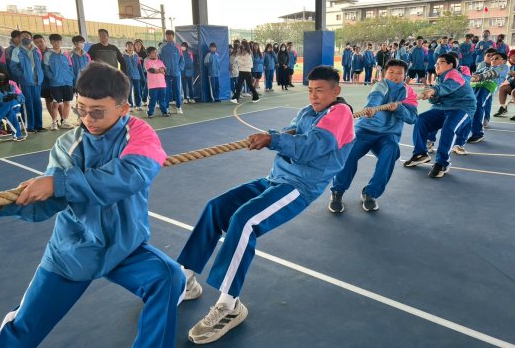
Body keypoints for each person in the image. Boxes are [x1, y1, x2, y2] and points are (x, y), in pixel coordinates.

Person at [0, 62, 184, 348]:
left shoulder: (139, 134)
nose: (87, 119)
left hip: (124, 247)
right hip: (72, 251)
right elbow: (48, 203)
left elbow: (130, 174)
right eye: (81, 109)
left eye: (97, 112)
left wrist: (59, 183)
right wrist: (6, 205)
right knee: (22, 332)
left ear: (123, 109)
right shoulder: (67, 145)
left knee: (168, 278)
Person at [177, 65, 354, 344]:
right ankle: (185, 278)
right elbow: (289, 133)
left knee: (244, 221)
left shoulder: (340, 113)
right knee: (216, 207)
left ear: (336, 91)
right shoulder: (308, 112)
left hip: (298, 187)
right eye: (310, 90)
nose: (313, 96)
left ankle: (229, 306)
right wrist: (276, 136)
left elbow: (311, 146)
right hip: (275, 179)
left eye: (320, 90)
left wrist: (275, 140)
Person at [329, 59, 418, 213]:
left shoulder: (409, 93)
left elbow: (413, 118)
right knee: (349, 153)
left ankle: (370, 193)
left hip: (388, 134)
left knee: (391, 151)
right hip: (365, 130)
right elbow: (375, 98)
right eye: (391, 72)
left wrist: (398, 109)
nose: (394, 76)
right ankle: (337, 191)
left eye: (399, 73)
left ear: (405, 75)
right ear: (385, 73)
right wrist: (371, 108)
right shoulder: (381, 85)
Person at [404, 53, 476, 178]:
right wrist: (431, 95)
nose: (436, 65)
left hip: (462, 107)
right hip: (443, 108)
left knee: (449, 128)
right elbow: (437, 99)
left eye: (440, 62)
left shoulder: (454, 74)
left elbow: (448, 87)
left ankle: (442, 163)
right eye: (436, 63)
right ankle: (420, 154)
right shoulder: (439, 78)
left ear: (450, 65)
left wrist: (433, 91)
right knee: (421, 120)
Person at [467, 52, 509, 143]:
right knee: (469, 105)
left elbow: (492, 73)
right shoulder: (485, 68)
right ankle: (466, 129)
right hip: (475, 86)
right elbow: (473, 75)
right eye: (492, 58)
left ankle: (478, 134)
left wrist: (479, 77)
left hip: (487, 87)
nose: (493, 60)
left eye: (496, 58)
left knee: (478, 104)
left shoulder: (504, 67)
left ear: (503, 61)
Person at [10, 31, 45, 133]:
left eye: (27, 36)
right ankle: (29, 127)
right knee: (27, 104)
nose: (25, 38)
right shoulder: (17, 51)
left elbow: (40, 65)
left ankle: (38, 125)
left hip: (37, 82)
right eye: (22, 36)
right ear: (20, 38)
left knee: (37, 104)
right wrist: (23, 75)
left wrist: (40, 76)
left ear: (31, 38)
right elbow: (13, 67)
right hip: (25, 82)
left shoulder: (36, 50)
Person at [44, 34, 75, 130]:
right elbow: (46, 69)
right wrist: (53, 77)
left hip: (67, 82)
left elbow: (70, 67)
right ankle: (54, 122)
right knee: (55, 103)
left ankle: (65, 122)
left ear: (61, 42)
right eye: (54, 41)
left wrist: (70, 77)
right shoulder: (47, 54)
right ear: (51, 42)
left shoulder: (66, 54)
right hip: (55, 83)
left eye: (58, 41)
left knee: (67, 102)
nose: (56, 43)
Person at [0, 64, 26, 141]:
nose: (0, 76)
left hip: (14, 106)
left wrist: (15, 96)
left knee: (12, 102)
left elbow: (23, 99)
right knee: (11, 112)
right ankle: (17, 135)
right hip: (0, 107)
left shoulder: (12, 83)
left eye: (2, 74)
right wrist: (2, 100)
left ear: (6, 74)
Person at [159, 30, 184, 114]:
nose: (169, 38)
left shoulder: (178, 47)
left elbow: (182, 60)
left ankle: (178, 107)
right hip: (166, 73)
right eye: (167, 36)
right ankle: (166, 107)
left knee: (177, 90)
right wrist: (162, 69)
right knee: (166, 90)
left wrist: (179, 68)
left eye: (170, 36)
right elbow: (159, 59)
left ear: (173, 36)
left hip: (176, 73)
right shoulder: (162, 47)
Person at [33, 34, 54, 131]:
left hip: (54, 80)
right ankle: (54, 120)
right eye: (37, 42)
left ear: (44, 41)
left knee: (57, 101)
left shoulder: (52, 52)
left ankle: (63, 119)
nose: (39, 44)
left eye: (41, 41)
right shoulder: (34, 53)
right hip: (43, 81)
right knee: (48, 100)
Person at [144, 46, 170, 118]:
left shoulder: (160, 61)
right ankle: (150, 113)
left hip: (162, 84)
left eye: (156, 52)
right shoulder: (147, 61)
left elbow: (165, 70)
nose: (155, 54)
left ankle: (164, 112)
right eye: (153, 52)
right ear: (149, 54)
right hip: (152, 85)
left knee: (162, 100)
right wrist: (160, 70)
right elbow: (151, 70)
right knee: (153, 99)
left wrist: (162, 70)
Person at [123, 41, 142, 111]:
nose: (130, 47)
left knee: (138, 91)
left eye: (131, 45)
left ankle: (138, 105)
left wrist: (142, 77)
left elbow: (139, 67)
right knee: (129, 92)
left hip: (137, 76)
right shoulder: (123, 56)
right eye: (128, 45)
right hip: (127, 77)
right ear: (126, 47)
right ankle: (130, 105)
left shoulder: (136, 56)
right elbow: (121, 67)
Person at [134, 39, 149, 106]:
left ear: (141, 45)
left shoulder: (145, 53)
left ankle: (144, 99)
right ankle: (138, 101)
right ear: (134, 46)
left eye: (139, 45)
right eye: (136, 45)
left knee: (145, 86)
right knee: (138, 87)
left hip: (144, 72)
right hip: (136, 72)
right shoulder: (133, 53)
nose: (138, 46)